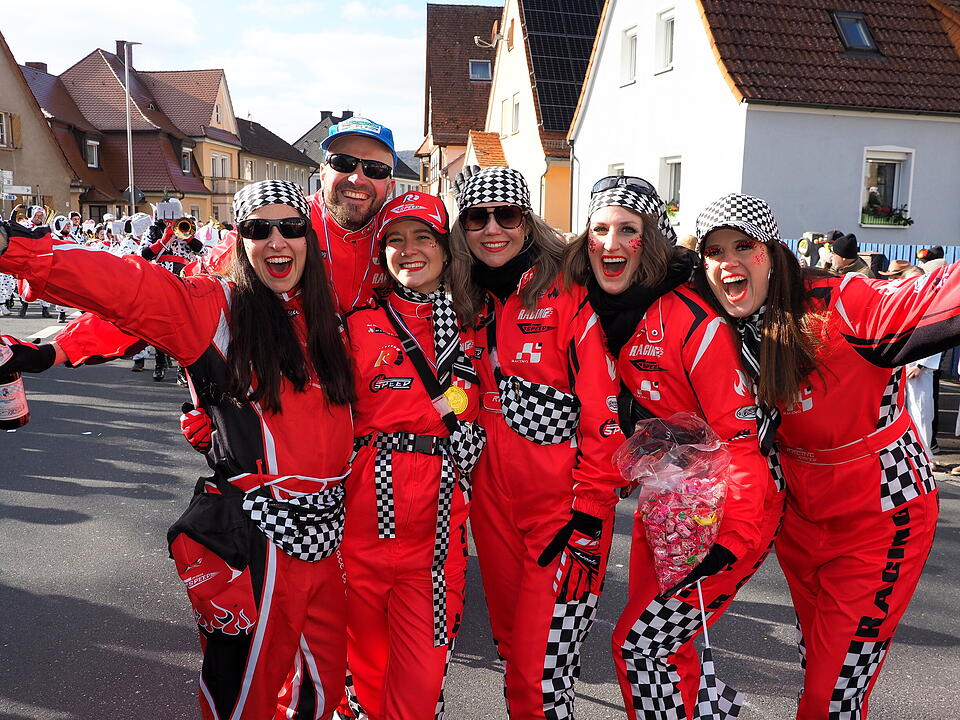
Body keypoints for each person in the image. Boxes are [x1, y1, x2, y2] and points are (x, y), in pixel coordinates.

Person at [0, 180, 355, 720]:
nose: (277, 241)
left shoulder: (329, 313)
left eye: (291, 227)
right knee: (246, 696)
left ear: (310, 236)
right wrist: (19, 253)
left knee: (321, 690)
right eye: (260, 229)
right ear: (240, 239)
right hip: (256, 541)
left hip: (329, 542)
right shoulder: (216, 307)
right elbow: (132, 293)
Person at [692, 193, 941, 719]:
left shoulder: (841, 299)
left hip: (881, 512)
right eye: (714, 252)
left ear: (776, 253)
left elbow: (932, 299)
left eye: (745, 246)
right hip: (800, 521)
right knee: (823, 665)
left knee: (831, 695)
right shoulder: (717, 318)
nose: (728, 262)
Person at [562, 176, 780, 719]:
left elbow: (743, 444)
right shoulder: (592, 304)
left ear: (652, 241)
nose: (611, 244)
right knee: (665, 652)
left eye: (628, 231)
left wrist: (730, 539)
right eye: (600, 230)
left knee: (643, 648)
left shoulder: (690, 321)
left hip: (724, 513)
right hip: (668, 502)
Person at [447, 165, 622, 719]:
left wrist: (592, 512)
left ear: (529, 223)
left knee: (540, 679)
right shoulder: (462, 298)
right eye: (478, 217)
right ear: (463, 228)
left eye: (508, 216)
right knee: (512, 657)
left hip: (564, 515)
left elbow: (603, 412)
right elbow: (465, 395)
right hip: (492, 511)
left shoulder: (570, 290)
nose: (492, 229)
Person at [339, 192, 485, 719]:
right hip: (362, 529)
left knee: (421, 686)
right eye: (395, 240)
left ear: (447, 249)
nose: (409, 250)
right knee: (362, 683)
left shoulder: (476, 325)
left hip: (438, 536)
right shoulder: (356, 325)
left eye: (424, 236)